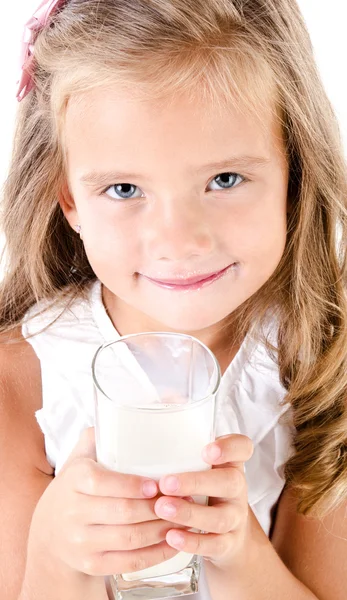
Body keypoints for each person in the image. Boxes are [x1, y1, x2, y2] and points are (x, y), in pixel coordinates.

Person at [0, 0, 346, 598]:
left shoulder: (327, 369)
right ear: (70, 200)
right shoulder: (20, 382)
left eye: (225, 180)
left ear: (294, 170)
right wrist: (57, 556)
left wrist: (235, 551)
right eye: (125, 188)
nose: (180, 241)